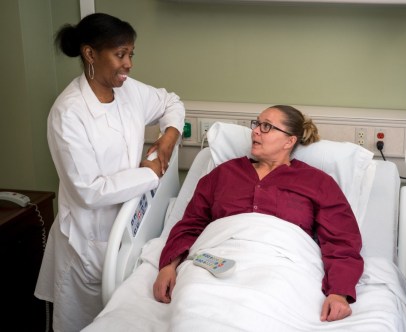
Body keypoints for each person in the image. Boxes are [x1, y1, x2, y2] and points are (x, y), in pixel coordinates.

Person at [34, 13, 185, 332]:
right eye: (120, 55)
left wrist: (168, 136)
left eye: (131, 54)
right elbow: (88, 191)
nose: (128, 64)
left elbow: (170, 101)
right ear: (90, 54)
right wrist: (151, 173)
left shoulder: (129, 92)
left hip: (126, 230)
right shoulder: (69, 114)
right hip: (90, 242)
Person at [153, 105, 364, 322]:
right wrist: (169, 266)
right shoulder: (224, 173)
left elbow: (341, 241)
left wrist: (338, 292)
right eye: (256, 124)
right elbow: (191, 223)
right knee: (194, 299)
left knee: (266, 305)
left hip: (281, 266)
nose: (255, 131)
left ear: (289, 141)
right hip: (216, 260)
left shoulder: (318, 182)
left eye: (266, 127)